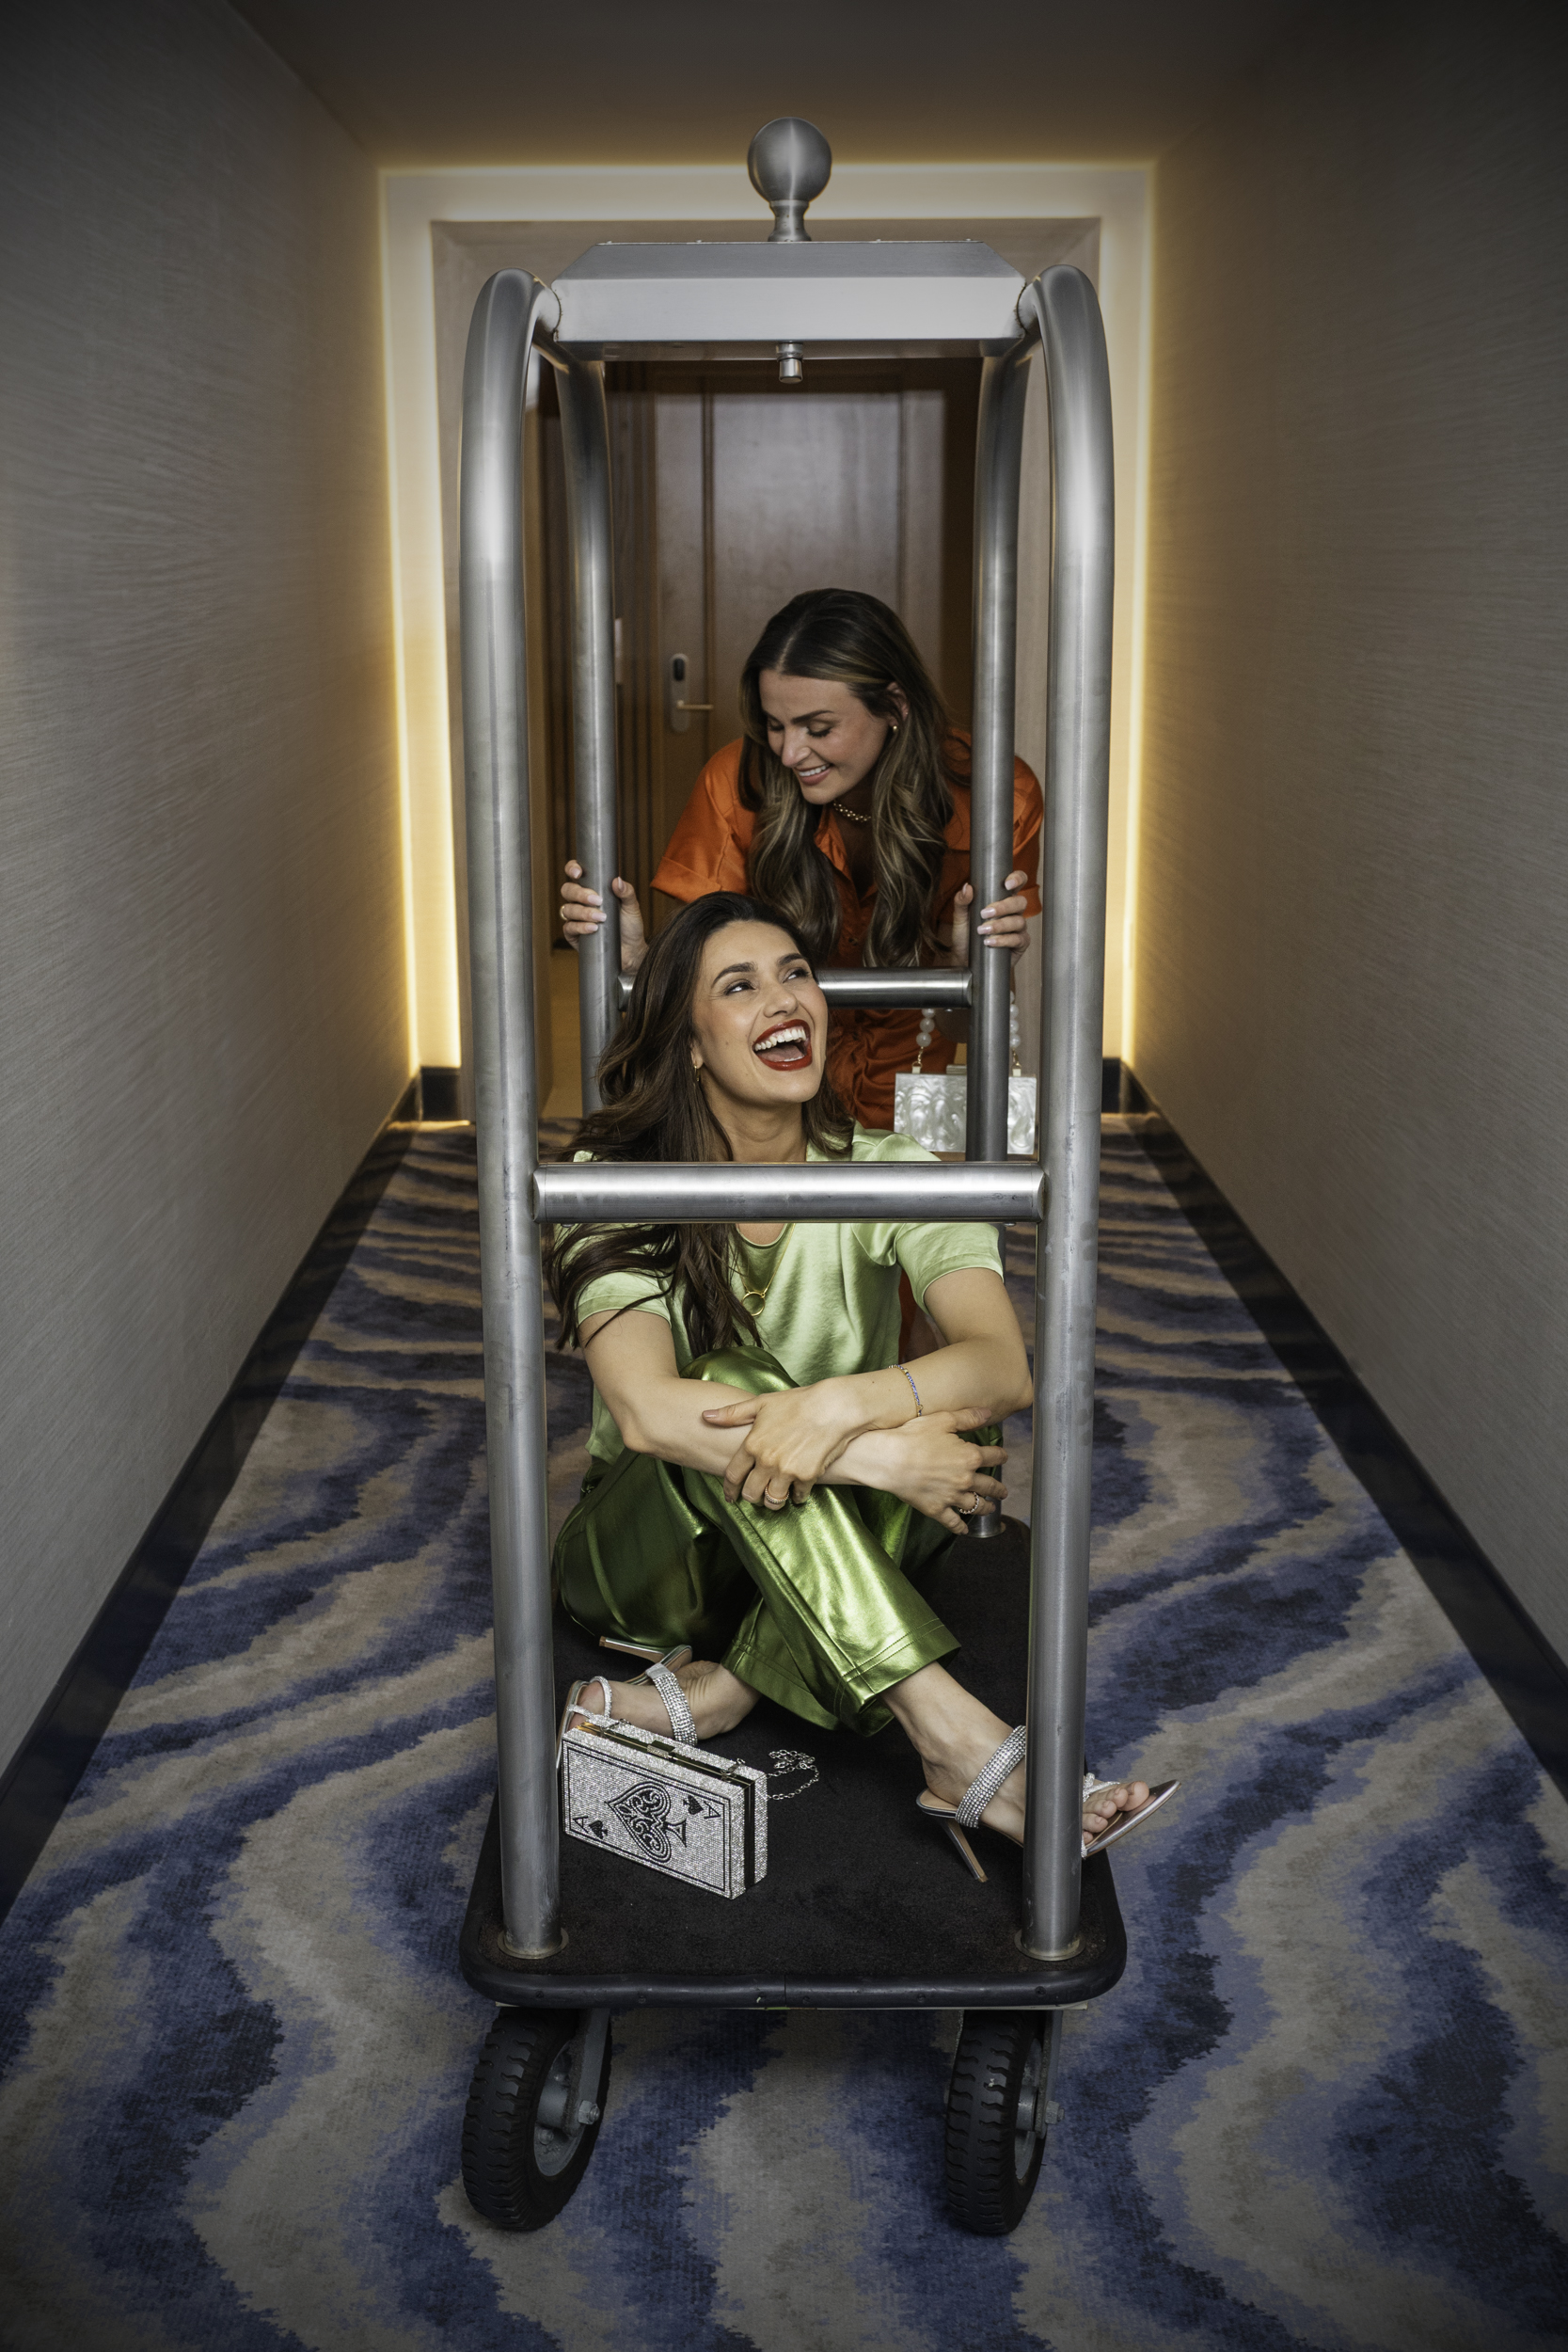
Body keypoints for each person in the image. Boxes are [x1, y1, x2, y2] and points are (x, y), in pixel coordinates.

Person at [546, 891, 1172, 1872]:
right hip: (652, 1565)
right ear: (692, 1044)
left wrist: (839, 1410)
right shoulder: (616, 1170)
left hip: (812, 1544)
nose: (783, 998)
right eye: (739, 986)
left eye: (795, 973)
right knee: (743, 1380)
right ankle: (954, 1740)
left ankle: (723, 1694)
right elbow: (646, 1408)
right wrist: (877, 1457)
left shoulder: (888, 1167)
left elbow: (998, 1364)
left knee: (955, 1434)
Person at [559, 587, 1043, 1133]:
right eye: (774, 725)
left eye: (818, 728)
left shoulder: (1001, 796)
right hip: (760, 1094)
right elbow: (703, 1006)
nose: (789, 754)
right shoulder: (733, 783)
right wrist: (636, 963)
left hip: (909, 1090)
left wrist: (967, 972)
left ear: (895, 707)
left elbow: (963, 1027)